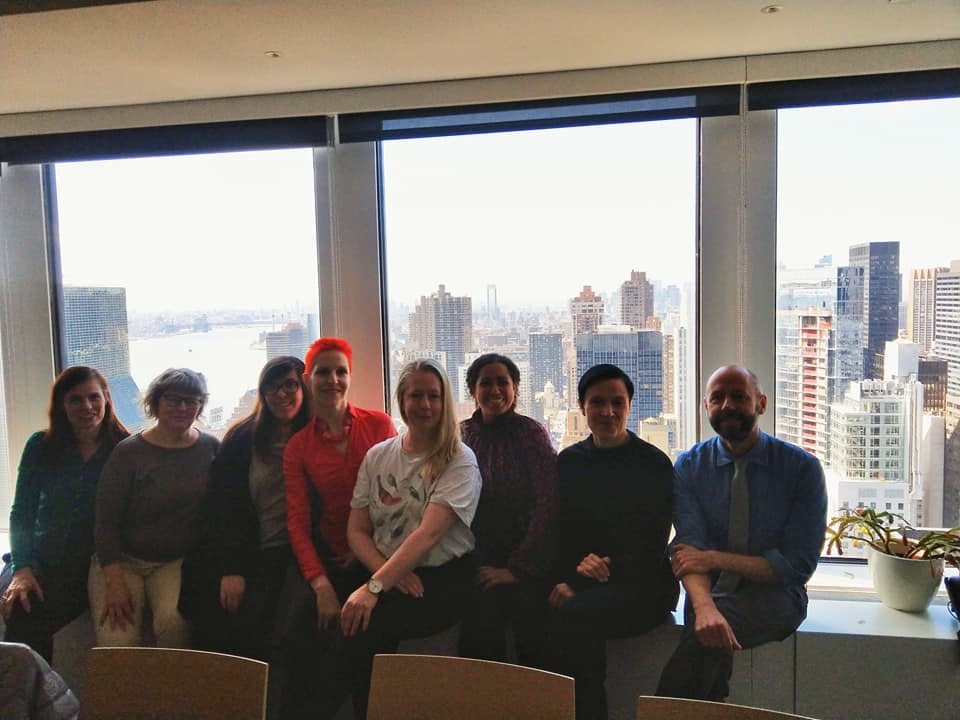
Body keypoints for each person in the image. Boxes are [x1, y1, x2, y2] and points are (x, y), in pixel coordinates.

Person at [656, 364, 827, 702]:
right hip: (707, 591)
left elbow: (796, 567)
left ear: (761, 404)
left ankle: (660, 711)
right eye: (717, 398)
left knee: (704, 639)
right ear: (706, 407)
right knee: (707, 633)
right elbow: (688, 551)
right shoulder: (689, 466)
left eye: (739, 396)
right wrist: (704, 605)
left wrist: (713, 559)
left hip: (777, 596)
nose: (728, 405)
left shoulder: (801, 469)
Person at [333, 358, 481, 719]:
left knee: (367, 627)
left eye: (434, 396)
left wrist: (374, 588)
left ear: (445, 402)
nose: (425, 404)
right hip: (386, 568)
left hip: (440, 576)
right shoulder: (378, 456)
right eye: (416, 395)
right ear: (401, 401)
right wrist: (387, 575)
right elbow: (356, 531)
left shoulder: (459, 460)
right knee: (321, 615)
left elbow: (428, 534)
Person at [546, 363, 678, 720]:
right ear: (581, 406)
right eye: (597, 402)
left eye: (617, 402)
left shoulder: (653, 464)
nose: (608, 411)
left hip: (643, 584)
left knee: (574, 618)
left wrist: (587, 578)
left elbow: (652, 543)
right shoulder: (569, 462)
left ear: (630, 405)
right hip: (586, 578)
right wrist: (574, 575)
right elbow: (562, 533)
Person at [279, 337, 397, 720]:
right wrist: (320, 584)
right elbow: (296, 521)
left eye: (340, 372)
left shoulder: (378, 425)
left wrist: (366, 550)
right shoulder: (299, 446)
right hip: (330, 559)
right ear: (308, 378)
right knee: (300, 638)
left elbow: (399, 498)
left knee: (365, 643)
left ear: (350, 376)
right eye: (323, 372)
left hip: (378, 556)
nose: (333, 380)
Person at [179, 356, 311, 660]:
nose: (282, 393)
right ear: (262, 393)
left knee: (293, 627)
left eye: (290, 385)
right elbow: (224, 507)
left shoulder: (314, 435)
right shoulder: (243, 438)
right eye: (272, 387)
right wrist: (232, 568)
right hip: (249, 550)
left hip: (294, 551)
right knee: (233, 625)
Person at [1, 367, 128, 662]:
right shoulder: (41, 446)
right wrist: (22, 568)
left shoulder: (124, 449)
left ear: (107, 399)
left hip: (90, 564)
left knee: (32, 618)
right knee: (20, 606)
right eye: (75, 399)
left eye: (94, 397)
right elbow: (22, 512)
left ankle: (36, 690)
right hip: (39, 558)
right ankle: (31, 691)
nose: (87, 406)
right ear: (61, 404)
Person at [88, 368, 219, 648]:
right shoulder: (128, 452)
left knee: (174, 625)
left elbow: (225, 507)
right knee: (118, 639)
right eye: (173, 399)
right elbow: (106, 522)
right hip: (122, 560)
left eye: (191, 401)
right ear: (156, 402)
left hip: (175, 562)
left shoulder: (210, 448)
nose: (182, 408)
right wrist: (114, 582)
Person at [457, 353, 556, 665]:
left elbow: (548, 502)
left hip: (527, 557)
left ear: (515, 388)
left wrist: (517, 569)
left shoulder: (530, 434)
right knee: (478, 638)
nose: (495, 390)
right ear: (473, 390)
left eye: (503, 382)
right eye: (486, 383)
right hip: (476, 556)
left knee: (533, 640)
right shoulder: (461, 434)